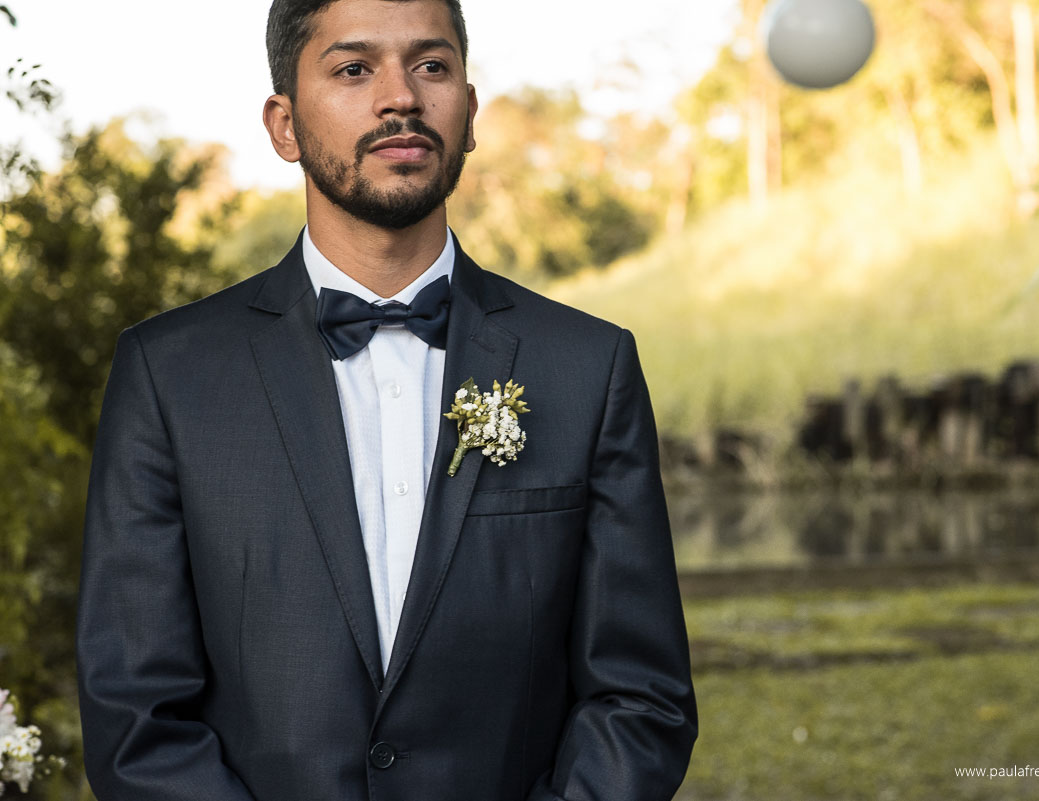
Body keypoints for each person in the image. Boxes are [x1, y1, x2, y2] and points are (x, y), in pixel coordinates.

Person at [73, 0, 698, 799]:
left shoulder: (589, 367)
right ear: (284, 125)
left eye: (432, 66)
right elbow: (135, 717)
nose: (401, 96)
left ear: (468, 111)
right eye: (353, 68)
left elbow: (640, 698)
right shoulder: (167, 375)